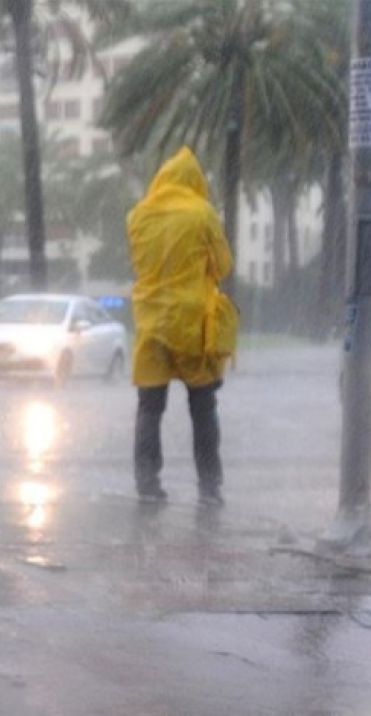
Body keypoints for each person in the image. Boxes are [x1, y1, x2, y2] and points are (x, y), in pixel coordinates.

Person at [127, 147, 239, 506]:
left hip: (151, 322)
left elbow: (141, 261)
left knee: (149, 408)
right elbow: (223, 266)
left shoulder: (139, 215)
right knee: (203, 406)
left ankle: (147, 484)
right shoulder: (201, 213)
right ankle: (209, 487)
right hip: (192, 324)